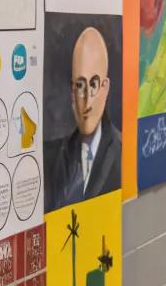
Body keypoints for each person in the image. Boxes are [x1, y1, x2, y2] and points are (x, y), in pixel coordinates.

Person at [44, 25, 122, 211]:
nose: (87, 99)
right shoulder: (53, 157)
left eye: (93, 84)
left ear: (105, 88)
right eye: (80, 86)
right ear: (72, 93)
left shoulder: (122, 151)